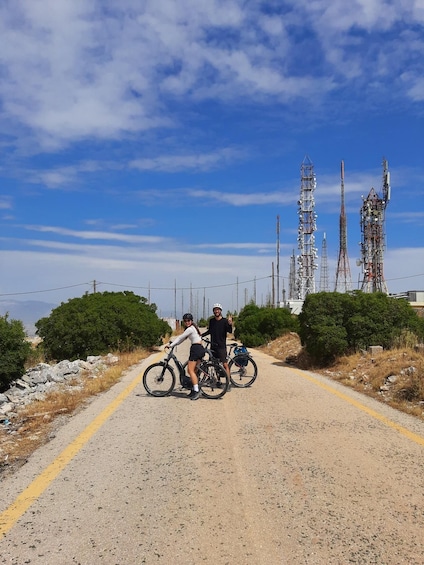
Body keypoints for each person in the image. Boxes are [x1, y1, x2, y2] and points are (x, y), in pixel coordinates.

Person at [166, 313, 205, 401]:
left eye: (188, 320)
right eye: (185, 321)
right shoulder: (193, 328)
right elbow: (182, 340)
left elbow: (180, 337)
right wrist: (174, 344)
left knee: (190, 370)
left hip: (196, 349)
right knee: (195, 371)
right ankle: (193, 389)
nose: (187, 322)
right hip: (200, 348)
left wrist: (171, 346)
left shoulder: (190, 329)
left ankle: (196, 391)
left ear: (191, 321)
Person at [202, 303, 233, 379]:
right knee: (214, 364)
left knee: (225, 364)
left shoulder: (224, 321)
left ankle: (228, 382)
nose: (216, 311)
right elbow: (210, 331)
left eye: (218, 310)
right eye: (215, 310)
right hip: (213, 346)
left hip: (221, 346)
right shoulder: (212, 321)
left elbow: (230, 331)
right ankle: (218, 380)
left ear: (220, 311)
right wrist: (200, 335)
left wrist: (230, 324)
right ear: (213, 311)